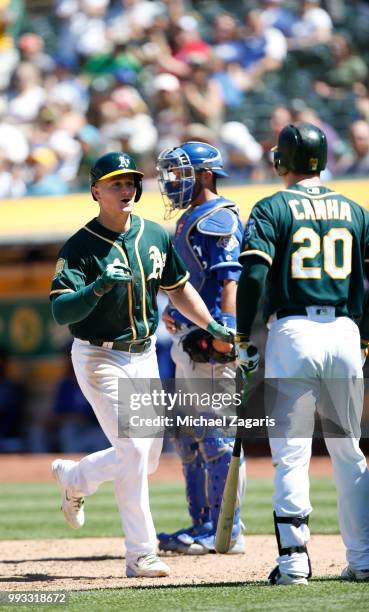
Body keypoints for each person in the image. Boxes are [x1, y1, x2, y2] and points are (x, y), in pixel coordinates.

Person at [49, 150, 233, 579]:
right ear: (96, 191)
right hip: (100, 355)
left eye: (130, 181)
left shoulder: (153, 234)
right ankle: (140, 553)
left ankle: (75, 478)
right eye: (115, 183)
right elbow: (60, 312)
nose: (126, 189)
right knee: (132, 449)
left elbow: (178, 288)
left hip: (144, 352)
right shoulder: (79, 247)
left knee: (147, 457)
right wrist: (96, 288)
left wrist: (213, 325)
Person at [235, 122, 369, 585]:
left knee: (291, 452)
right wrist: (365, 335)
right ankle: (364, 559)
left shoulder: (272, 206)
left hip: (293, 331)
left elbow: (252, 278)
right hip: (345, 333)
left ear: (282, 161)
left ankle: (294, 562)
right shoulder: (355, 209)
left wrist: (242, 338)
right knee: (348, 451)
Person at [156, 141, 246, 555]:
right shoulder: (188, 217)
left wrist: (227, 332)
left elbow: (230, 279)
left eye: (182, 172)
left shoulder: (218, 215)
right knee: (186, 434)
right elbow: (189, 281)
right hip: (187, 336)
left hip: (211, 342)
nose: (174, 180)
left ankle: (227, 528)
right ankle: (201, 524)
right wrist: (175, 315)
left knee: (216, 436)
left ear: (206, 174)